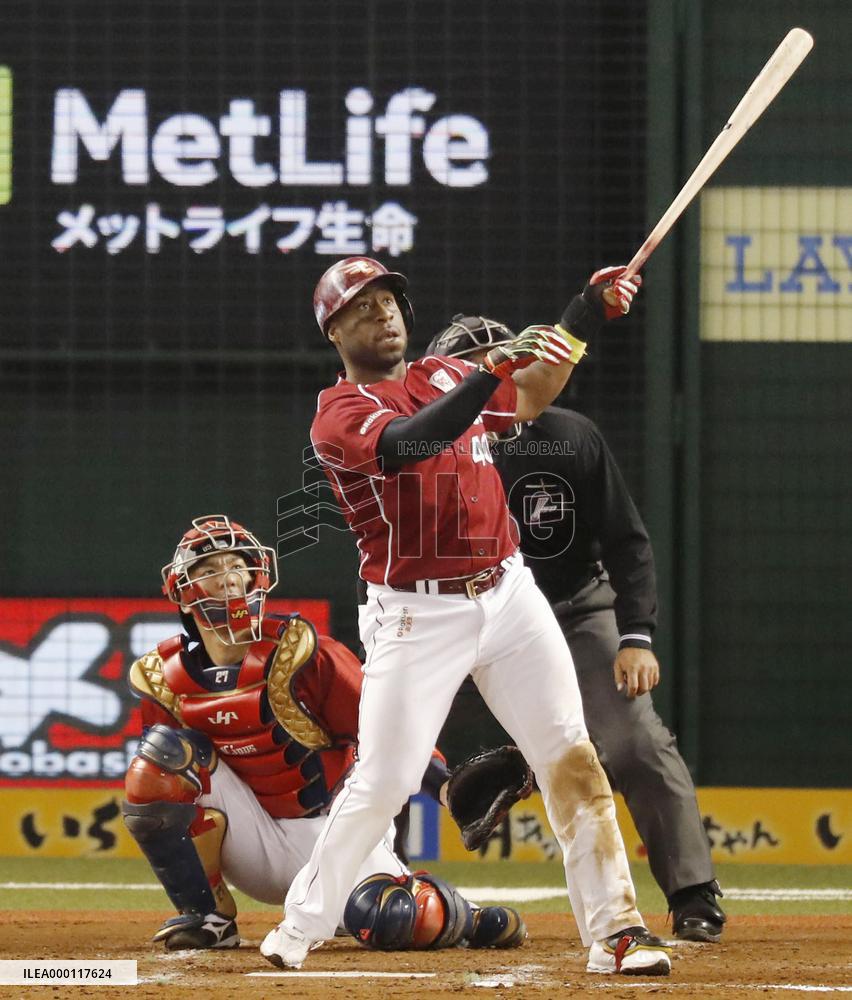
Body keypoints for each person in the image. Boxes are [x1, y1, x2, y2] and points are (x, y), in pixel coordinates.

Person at [260, 255, 674, 976]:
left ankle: (616, 933)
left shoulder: (440, 376)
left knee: (570, 755)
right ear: (334, 332)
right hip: (418, 616)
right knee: (385, 783)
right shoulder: (341, 414)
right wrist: (488, 372)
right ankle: (298, 927)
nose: (382, 313)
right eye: (361, 308)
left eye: (388, 300)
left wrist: (586, 310)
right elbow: (412, 444)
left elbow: (534, 393)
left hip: (509, 594)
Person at [426, 315, 726, 943]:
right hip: (460, 612)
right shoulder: (426, 450)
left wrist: (637, 633)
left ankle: (693, 892)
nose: (496, 374)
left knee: (634, 740)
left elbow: (627, 542)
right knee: (385, 736)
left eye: (505, 359)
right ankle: (371, 887)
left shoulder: (571, 438)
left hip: (573, 610)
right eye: (477, 366)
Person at [122, 515, 524, 952]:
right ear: (183, 590)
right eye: (208, 570)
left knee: (397, 920)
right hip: (253, 844)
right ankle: (208, 916)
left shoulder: (305, 654)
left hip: (335, 833)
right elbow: (162, 794)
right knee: (161, 759)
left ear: (258, 574)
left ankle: (463, 916)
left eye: (236, 565)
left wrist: (445, 789)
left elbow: (389, 733)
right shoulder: (163, 677)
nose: (227, 580)